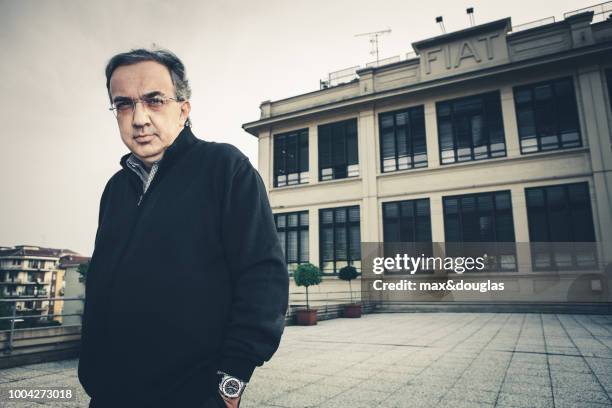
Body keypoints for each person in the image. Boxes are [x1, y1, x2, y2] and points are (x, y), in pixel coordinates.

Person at [78, 48, 289, 408]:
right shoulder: (116, 189)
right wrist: (93, 374)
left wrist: (231, 381)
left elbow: (263, 276)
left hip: (192, 394)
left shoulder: (225, 168)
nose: (139, 118)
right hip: (110, 393)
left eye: (154, 100)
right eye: (124, 104)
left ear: (184, 109)